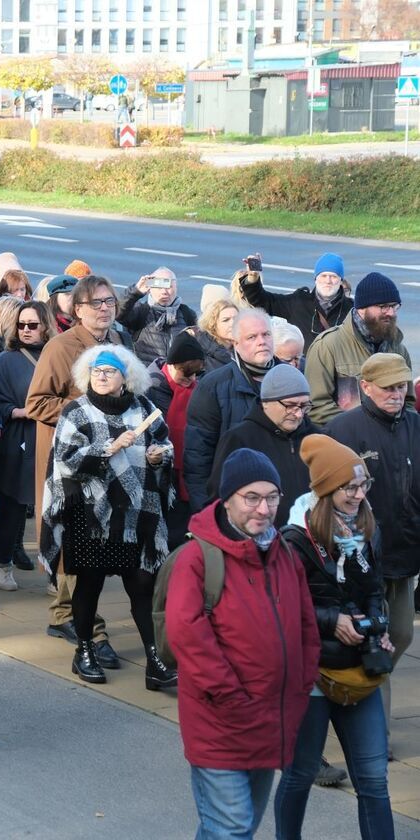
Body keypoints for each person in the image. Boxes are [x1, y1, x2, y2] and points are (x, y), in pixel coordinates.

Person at [166, 448, 320, 839]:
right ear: (228, 498)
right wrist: (230, 696)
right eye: (252, 497)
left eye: (272, 497)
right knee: (231, 827)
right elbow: (187, 633)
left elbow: (305, 627)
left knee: (237, 826)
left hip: (270, 718)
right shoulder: (197, 558)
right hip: (221, 721)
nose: (264, 509)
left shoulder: (283, 552)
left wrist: (302, 684)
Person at [273, 435, 394, 838]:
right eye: (350, 488)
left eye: (364, 486)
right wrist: (333, 621)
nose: (360, 495)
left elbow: (375, 590)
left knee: (374, 782)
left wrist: (378, 625)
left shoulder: (368, 527)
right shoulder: (294, 539)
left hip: (360, 669)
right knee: (299, 774)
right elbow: (288, 606)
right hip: (313, 675)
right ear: (326, 489)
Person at [40, 345, 176, 688]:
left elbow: (164, 443)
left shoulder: (145, 408)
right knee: (89, 584)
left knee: (143, 586)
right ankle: (84, 649)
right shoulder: (77, 411)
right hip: (90, 516)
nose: (101, 376)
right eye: (97, 371)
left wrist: (160, 456)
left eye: (109, 371)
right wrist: (109, 448)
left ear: (125, 378)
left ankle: (155, 660)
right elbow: (66, 460)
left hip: (134, 516)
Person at [26, 275, 126, 658]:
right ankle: (90, 629)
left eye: (109, 302)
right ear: (77, 309)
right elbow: (36, 403)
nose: (104, 309)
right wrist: (83, 414)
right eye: (96, 303)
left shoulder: (116, 343)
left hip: (107, 457)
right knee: (75, 538)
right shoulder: (61, 347)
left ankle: (64, 613)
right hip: (68, 460)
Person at [326, 353, 420, 745]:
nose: (397, 395)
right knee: (374, 640)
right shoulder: (343, 429)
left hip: (406, 552)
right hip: (361, 557)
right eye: (388, 388)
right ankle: (371, 733)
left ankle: (356, 696)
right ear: (365, 387)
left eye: (401, 387)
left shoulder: (416, 424)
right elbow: (327, 497)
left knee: (400, 634)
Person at [0, 300, 54, 588]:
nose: (26, 330)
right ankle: (3, 563)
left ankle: (54, 571)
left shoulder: (56, 356)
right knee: (13, 504)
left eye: (32, 325)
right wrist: (21, 411)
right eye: (21, 325)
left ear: (45, 326)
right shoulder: (5, 360)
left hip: (49, 436)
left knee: (51, 507)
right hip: (19, 437)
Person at [184, 308, 275, 514]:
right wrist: (207, 515)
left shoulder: (290, 379)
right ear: (235, 343)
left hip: (279, 501)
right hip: (232, 503)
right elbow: (198, 461)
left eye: (266, 334)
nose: (262, 341)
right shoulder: (213, 386)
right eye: (252, 337)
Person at [208, 364, 316, 527]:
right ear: (266, 402)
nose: (299, 413)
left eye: (304, 406)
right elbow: (219, 500)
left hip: (313, 543)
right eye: (290, 405)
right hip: (259, 543)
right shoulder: (239, 439)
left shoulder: (318, 438)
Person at [306, 271, 413, 426]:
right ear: (362, 308)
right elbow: (317, 406)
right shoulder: (327, 346)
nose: (390, 312)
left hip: (391, 442)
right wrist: (362, 430)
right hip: (345, 443)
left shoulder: (399, 349)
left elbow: (408, 404)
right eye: (383, 307)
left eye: (394, 306)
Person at [146, 331, 205, 547]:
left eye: (195, 374)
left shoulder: (197, 387)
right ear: (171, 365)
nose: (191, 380)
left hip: (190, 469)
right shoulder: (152, 387)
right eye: (186, 374)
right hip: (161, 472)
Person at [238, 253, 353, 348]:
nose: (328, 281)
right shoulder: (299, 302)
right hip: (303, 370)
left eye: (333, 276)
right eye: (323, 276)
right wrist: (253, 278)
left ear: (340, 280)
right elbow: (263, 301)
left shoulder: (352, 309)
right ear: (316, 279)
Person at [117, 268, 197, 366]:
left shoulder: (186, 314)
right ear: (150, 289)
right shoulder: (140, 312)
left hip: (177, 378)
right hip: (147, 377)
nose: (164, 292)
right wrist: (135, 291)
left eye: (168, 286)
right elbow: (117, 311)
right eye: (159, 287)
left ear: (176, 288)